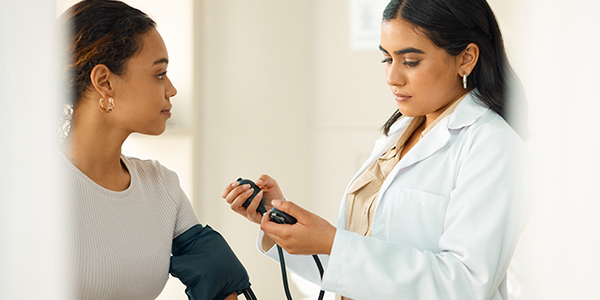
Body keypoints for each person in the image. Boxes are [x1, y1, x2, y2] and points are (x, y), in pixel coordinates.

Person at [222, 0, 530, 299]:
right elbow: (355, 267)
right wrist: (282, 219)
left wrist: (333, 242)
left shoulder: (493, 144)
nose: (392, 77)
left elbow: (463, 286)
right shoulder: (397, 134)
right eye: (387, 59)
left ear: (466, 58)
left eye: (410, 61)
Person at [59, 1, 250, 299]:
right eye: (159, 74)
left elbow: (221, 285)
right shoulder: (26, 187)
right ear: (104, 82)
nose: (171, 89)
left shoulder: (161, 186)